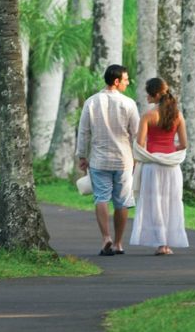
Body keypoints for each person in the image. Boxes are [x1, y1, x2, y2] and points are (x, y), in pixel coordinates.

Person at [76, 64, 139, 256]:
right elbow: (136, 133)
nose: (128, 83)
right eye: (126, 80)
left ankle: (106, 238)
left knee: (101, 197)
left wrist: (82, 155)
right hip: (124, 160)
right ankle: (119, 243)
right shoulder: (128, 103)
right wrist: (137, 157)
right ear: (117, 81)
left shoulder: (92, 102)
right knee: (122, 202)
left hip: (99, 160)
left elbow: (84, 131)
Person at [130, 77, 189, 255]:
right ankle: (168, 244)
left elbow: (139, 145)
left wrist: (153, 154)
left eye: (148, 93)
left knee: (155, 203)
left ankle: (160, 243)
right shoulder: (177, 115)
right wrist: (170, 150)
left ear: (155, 94)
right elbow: (184, 144)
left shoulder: (148, 116)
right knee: (172, 202)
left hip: (152, 166)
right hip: (172, 166)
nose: (146, 96)